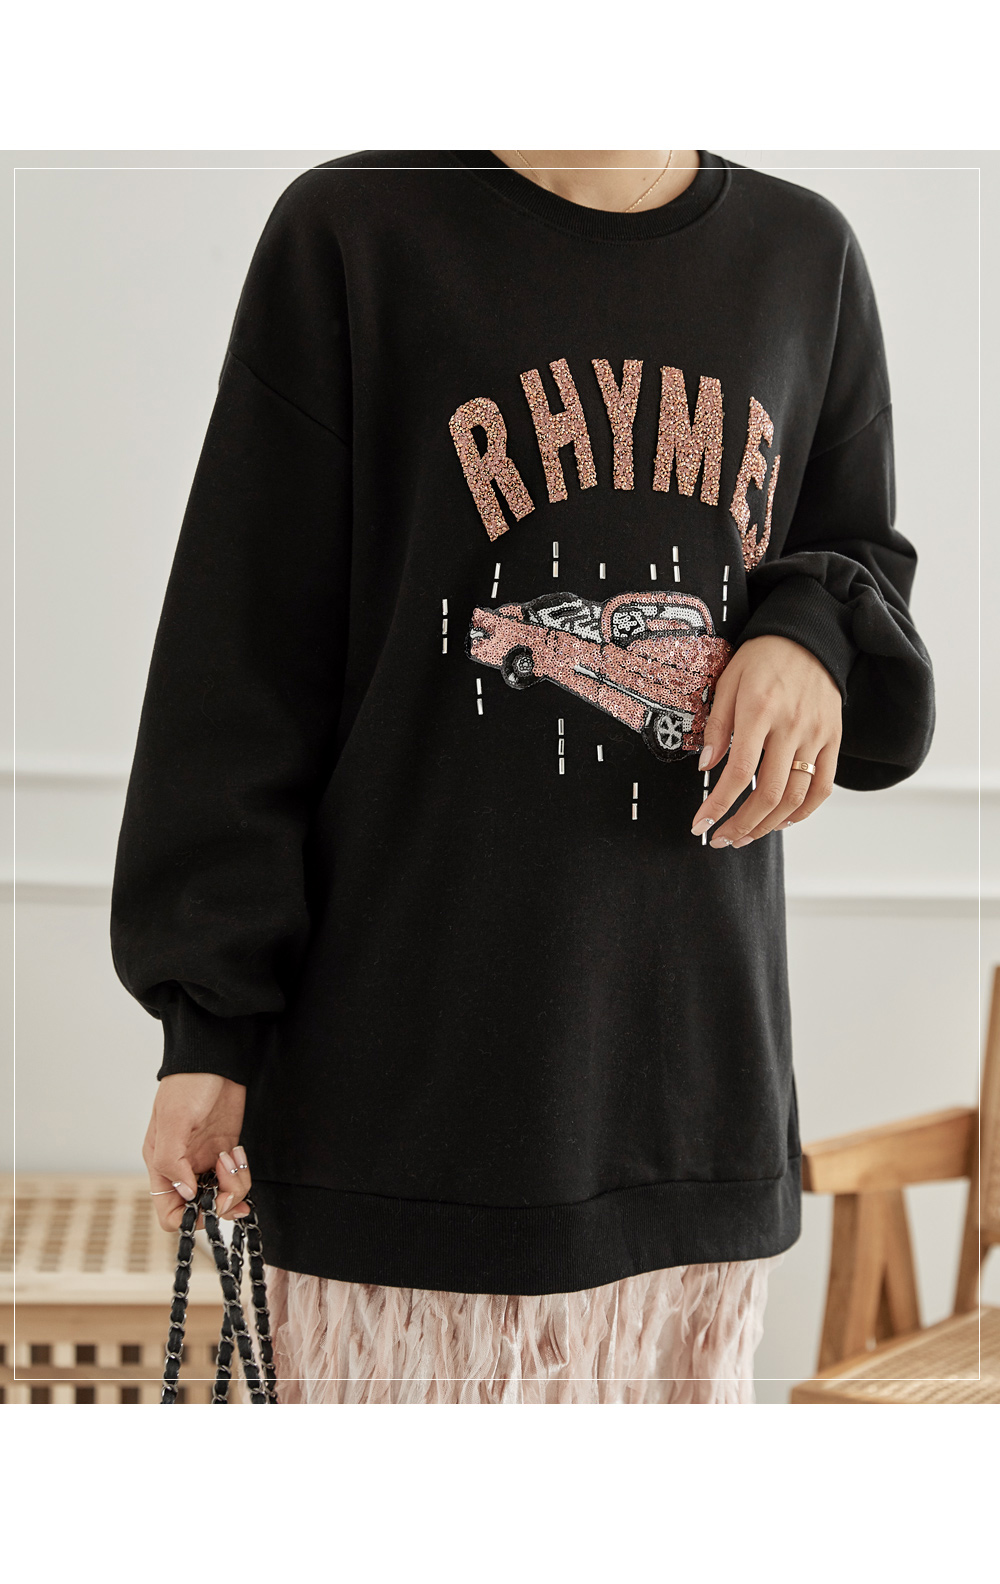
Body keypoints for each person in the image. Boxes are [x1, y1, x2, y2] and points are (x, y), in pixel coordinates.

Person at [111, 149, 935, 1403]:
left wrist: (807, 633)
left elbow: (855, 547)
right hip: (404, 1091)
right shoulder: (356, 233)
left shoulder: (801, 255)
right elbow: (242, 657)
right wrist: (207, 1029)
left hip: (687, 1090)